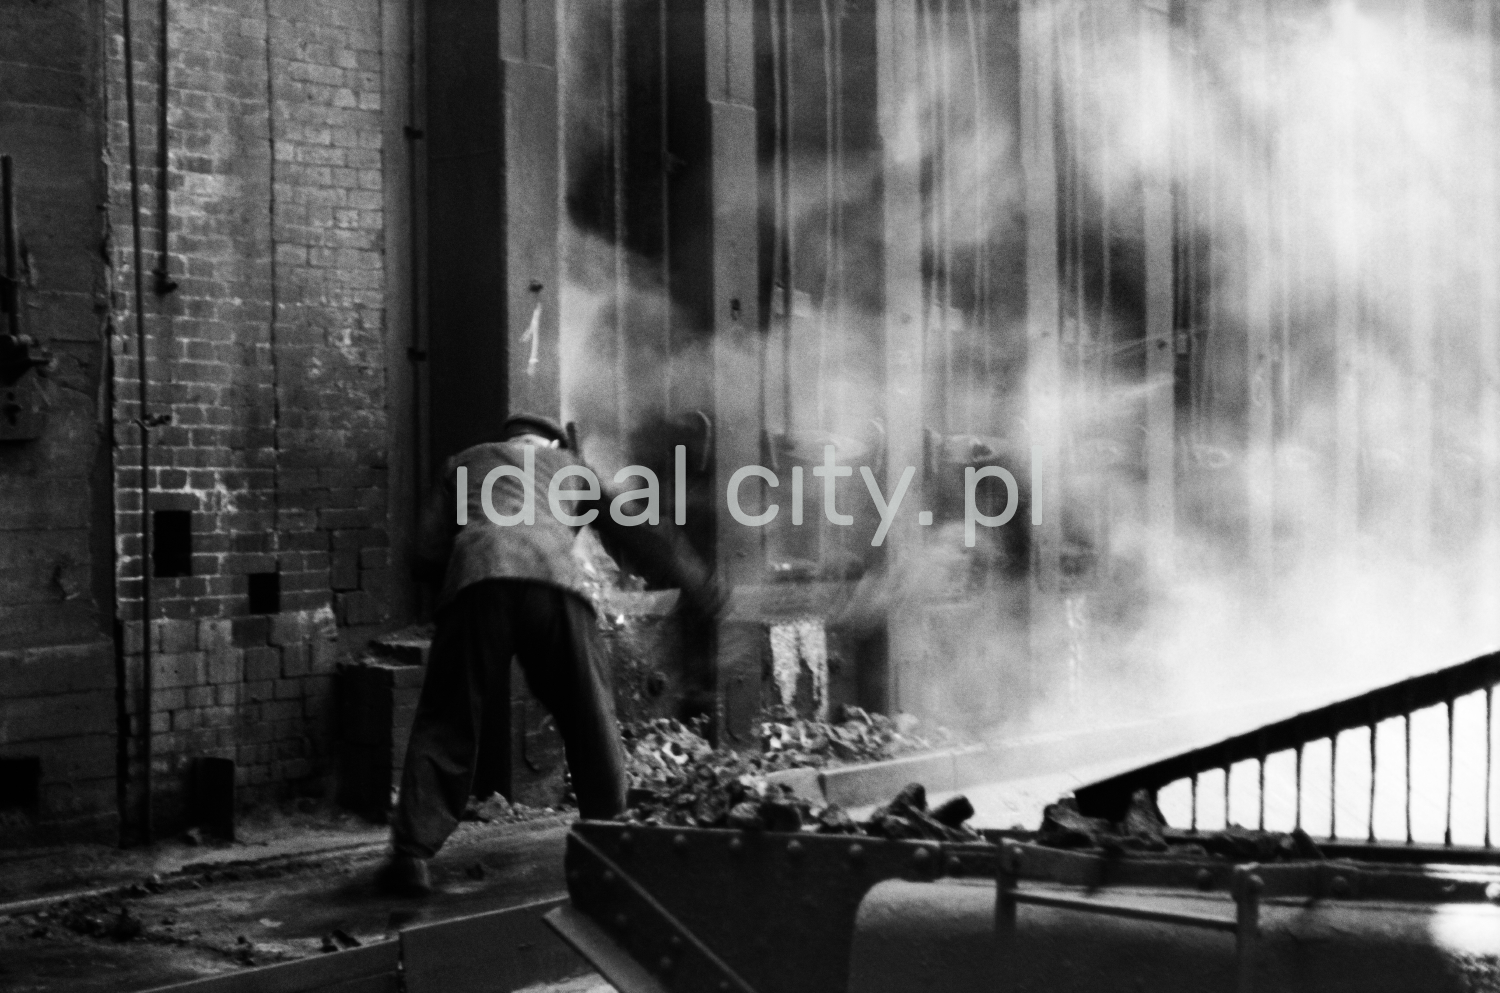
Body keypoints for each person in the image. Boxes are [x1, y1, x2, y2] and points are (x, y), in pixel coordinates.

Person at [377, 413, 721, 896]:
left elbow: (427, 553)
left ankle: (411, 855)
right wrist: (698, 585)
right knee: (589, 717)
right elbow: (641, 531)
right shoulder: (570, 465)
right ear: (550, 441)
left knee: (448, 716)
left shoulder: (464, 463)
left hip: (478, 579)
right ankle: (612, 844)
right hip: (555, 587)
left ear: (510, 439)